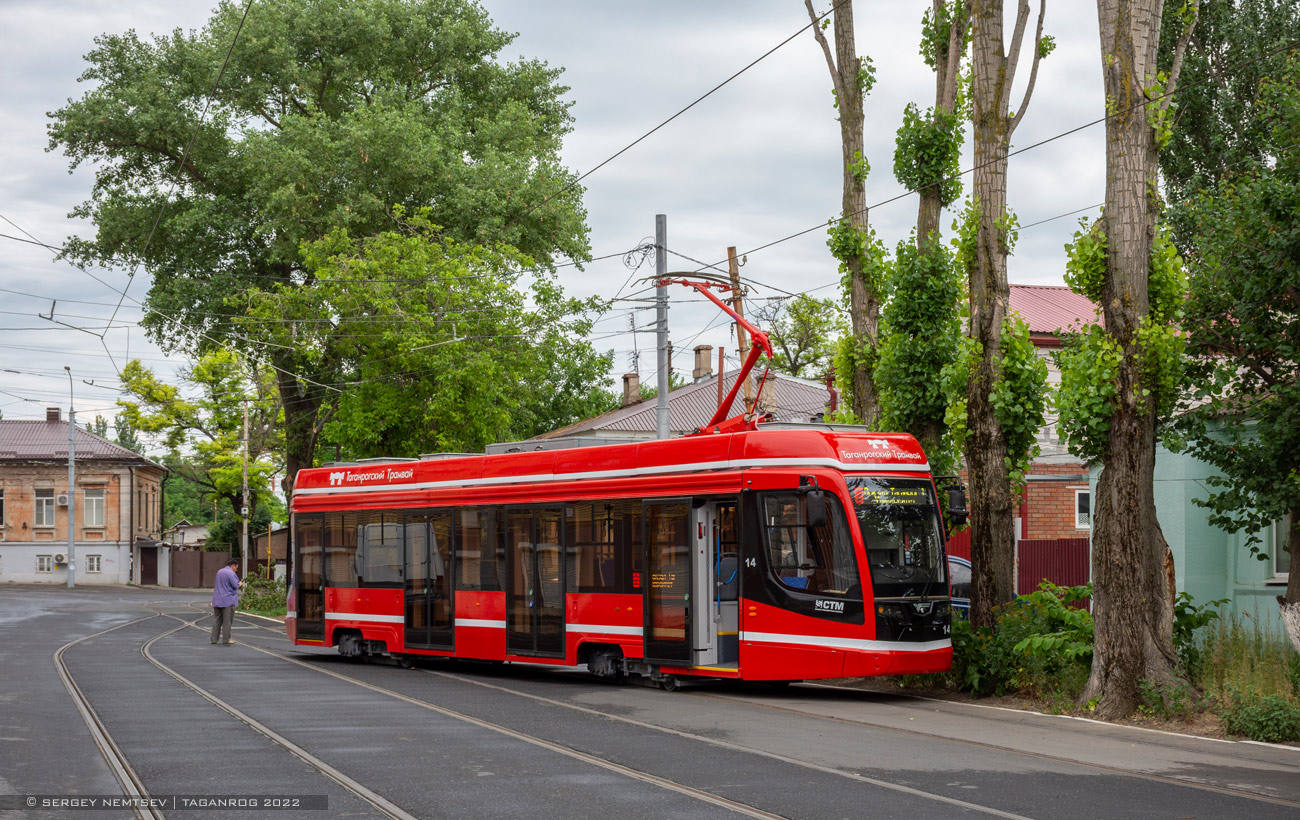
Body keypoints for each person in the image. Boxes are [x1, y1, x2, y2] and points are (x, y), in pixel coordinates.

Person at [211, 558, 244, 645]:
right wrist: (240, 584)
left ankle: (214, 639)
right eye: (236, 568)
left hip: (217, 599)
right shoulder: (231, 573)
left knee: (217, 620)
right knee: (227, 621)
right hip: (228, 601)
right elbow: (235, 585)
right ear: (233, 566)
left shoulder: (219, 571)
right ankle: (226, 639)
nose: (236, 570)